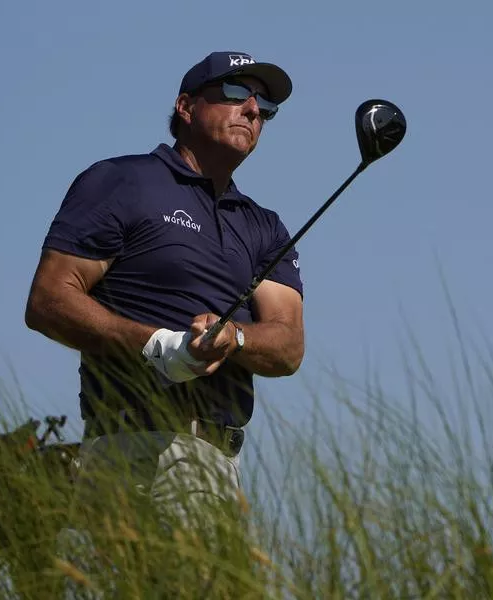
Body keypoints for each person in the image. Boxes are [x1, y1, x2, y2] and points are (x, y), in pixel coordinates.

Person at [24, 51, 305, 539]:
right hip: (129, 446)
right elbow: (49, 300)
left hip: (218, 463)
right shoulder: (122, 181)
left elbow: (288, 344)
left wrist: (234, 338)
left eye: (265, 106)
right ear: (186, 106)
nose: (253, 110)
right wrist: (158, 346)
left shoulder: (264, 225)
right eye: (236, 93)